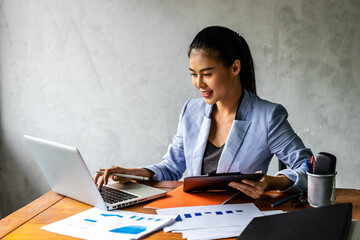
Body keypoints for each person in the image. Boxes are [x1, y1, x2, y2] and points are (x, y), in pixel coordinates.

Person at [94, 26, 312, 199]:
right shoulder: (191, 110)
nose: (199, 83)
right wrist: (135, 173)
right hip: (192, 214)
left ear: (235, 68)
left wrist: (272, 182)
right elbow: (171, 167)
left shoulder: (268, 116)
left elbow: (308, 168)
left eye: (207, 74)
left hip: (242, 217)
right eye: (193, 74)